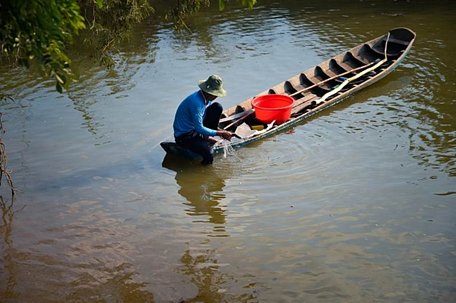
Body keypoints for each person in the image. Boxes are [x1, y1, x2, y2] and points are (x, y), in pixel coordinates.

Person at [173, 75, 234, 165]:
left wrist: (219, 130)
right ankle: (202, 173)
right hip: (184, 136)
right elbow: (199, 128)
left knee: (217, 107)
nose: (216, 96)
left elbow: (203, 118)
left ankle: (205, 137)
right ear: (209, 92)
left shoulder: (206, 98)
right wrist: (220, 133)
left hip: (195, 130)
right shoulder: (196, 103)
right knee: (208, 154)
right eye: (215, 94)